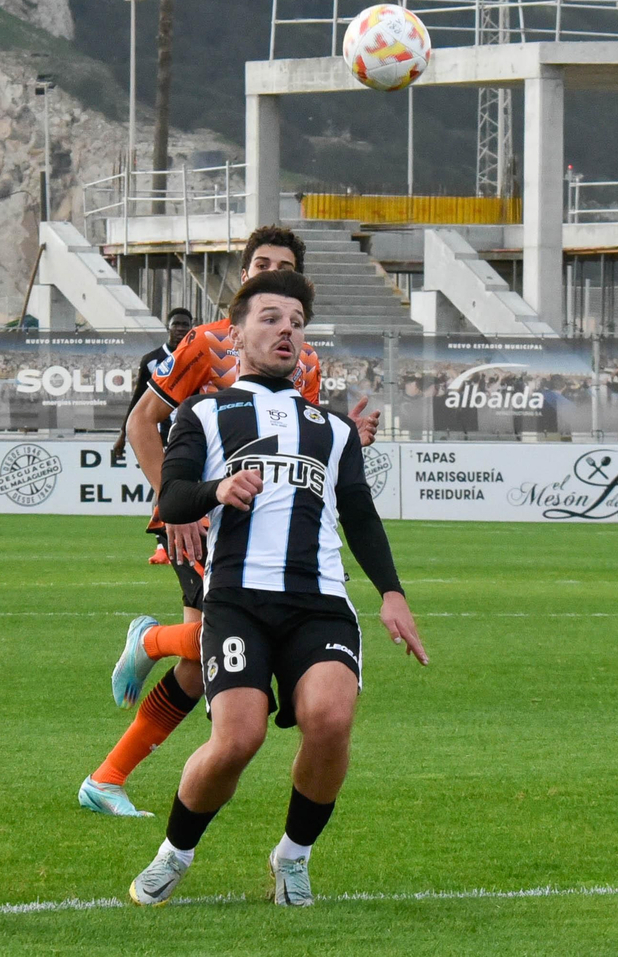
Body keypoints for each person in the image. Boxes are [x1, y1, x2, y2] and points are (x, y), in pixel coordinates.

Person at [125, 269, 427, 908]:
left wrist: (392, 593)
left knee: (331, 720)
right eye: (270, 318)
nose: (286, 329)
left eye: (296, 321)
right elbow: (173, 498)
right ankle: (176, 851)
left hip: (321, 603)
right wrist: (217, 490)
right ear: (235, 335)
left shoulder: (332, 429)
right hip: (237, 600)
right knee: (238, 739)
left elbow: (360, 513)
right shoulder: (204, 413)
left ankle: (293, 856)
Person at [79, 226, 380, 818]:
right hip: (198, 516)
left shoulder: (304, 358)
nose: (270, 273)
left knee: (201, 666)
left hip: (259, 529)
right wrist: (176, 509)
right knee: (214, 646)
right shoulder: (205, 342)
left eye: (283, 267)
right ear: (243, 277)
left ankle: (108, 775)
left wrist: (349, 438)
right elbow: (142, 423)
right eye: (260, 264)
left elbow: (296, 438)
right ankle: (147, 649)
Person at [111, 307, 194, 565]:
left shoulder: (198, 355)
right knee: (162, 485)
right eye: (176, 324)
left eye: (185, 324)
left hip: (192, 433)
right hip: (162, 434)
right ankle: (161, 544)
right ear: (168, 327)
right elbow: (138, 400)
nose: (180, 329)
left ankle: (189, 541)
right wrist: (123, 435)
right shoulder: (152, 360)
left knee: (192, 486)